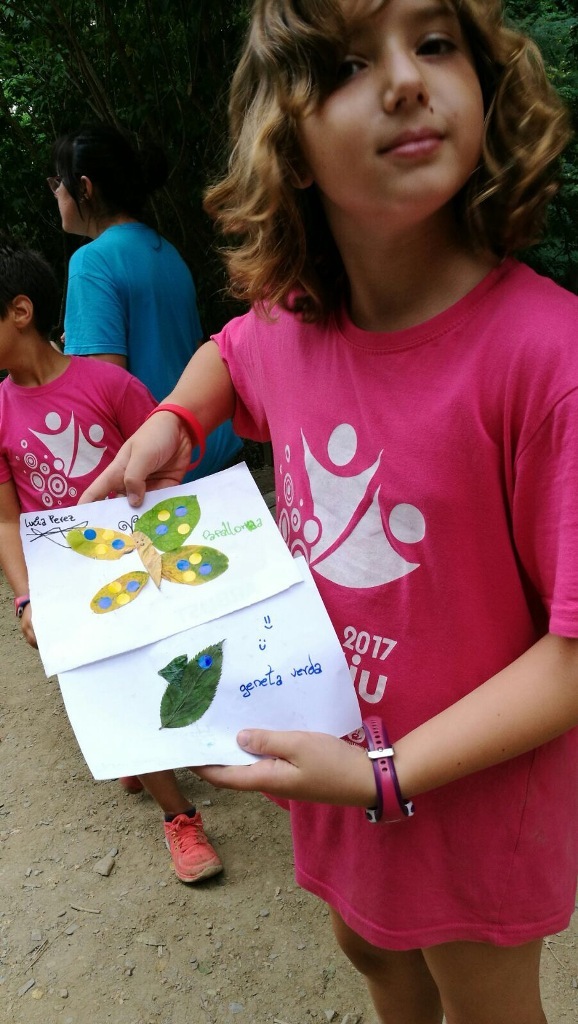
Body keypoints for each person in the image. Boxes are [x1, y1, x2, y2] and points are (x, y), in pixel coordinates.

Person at [81, 2, 578, 1021]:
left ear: (485, 85)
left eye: (434, 43)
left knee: (482, 1002)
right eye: (348, 64)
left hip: (467, 801)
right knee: (368, 950)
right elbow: (233, 349)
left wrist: (383, 774)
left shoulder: (548, 356)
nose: (404, 79)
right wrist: (175, 418)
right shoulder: (295, 322)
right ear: (290, 150)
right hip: (333, 767)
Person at [0, 235, 222, 886]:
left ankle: (148, 747)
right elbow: (6, 517)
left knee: (164, 667)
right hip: (67, 582)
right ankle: (179, 816)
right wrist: (26, 595)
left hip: (139, 564)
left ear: (20, 311)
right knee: (111, 692)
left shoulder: (110, 385)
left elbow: (171, 470)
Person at [48, 122, 244, 835]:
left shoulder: (91, 263)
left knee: (143, 613)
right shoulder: (166, 253)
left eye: (57, 183)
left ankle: (162, 742)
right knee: (198, 600)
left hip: (146, 470)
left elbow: (100, 388)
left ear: (84, 188)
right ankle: (212, 722)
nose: (54, 195)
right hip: (204, 445)